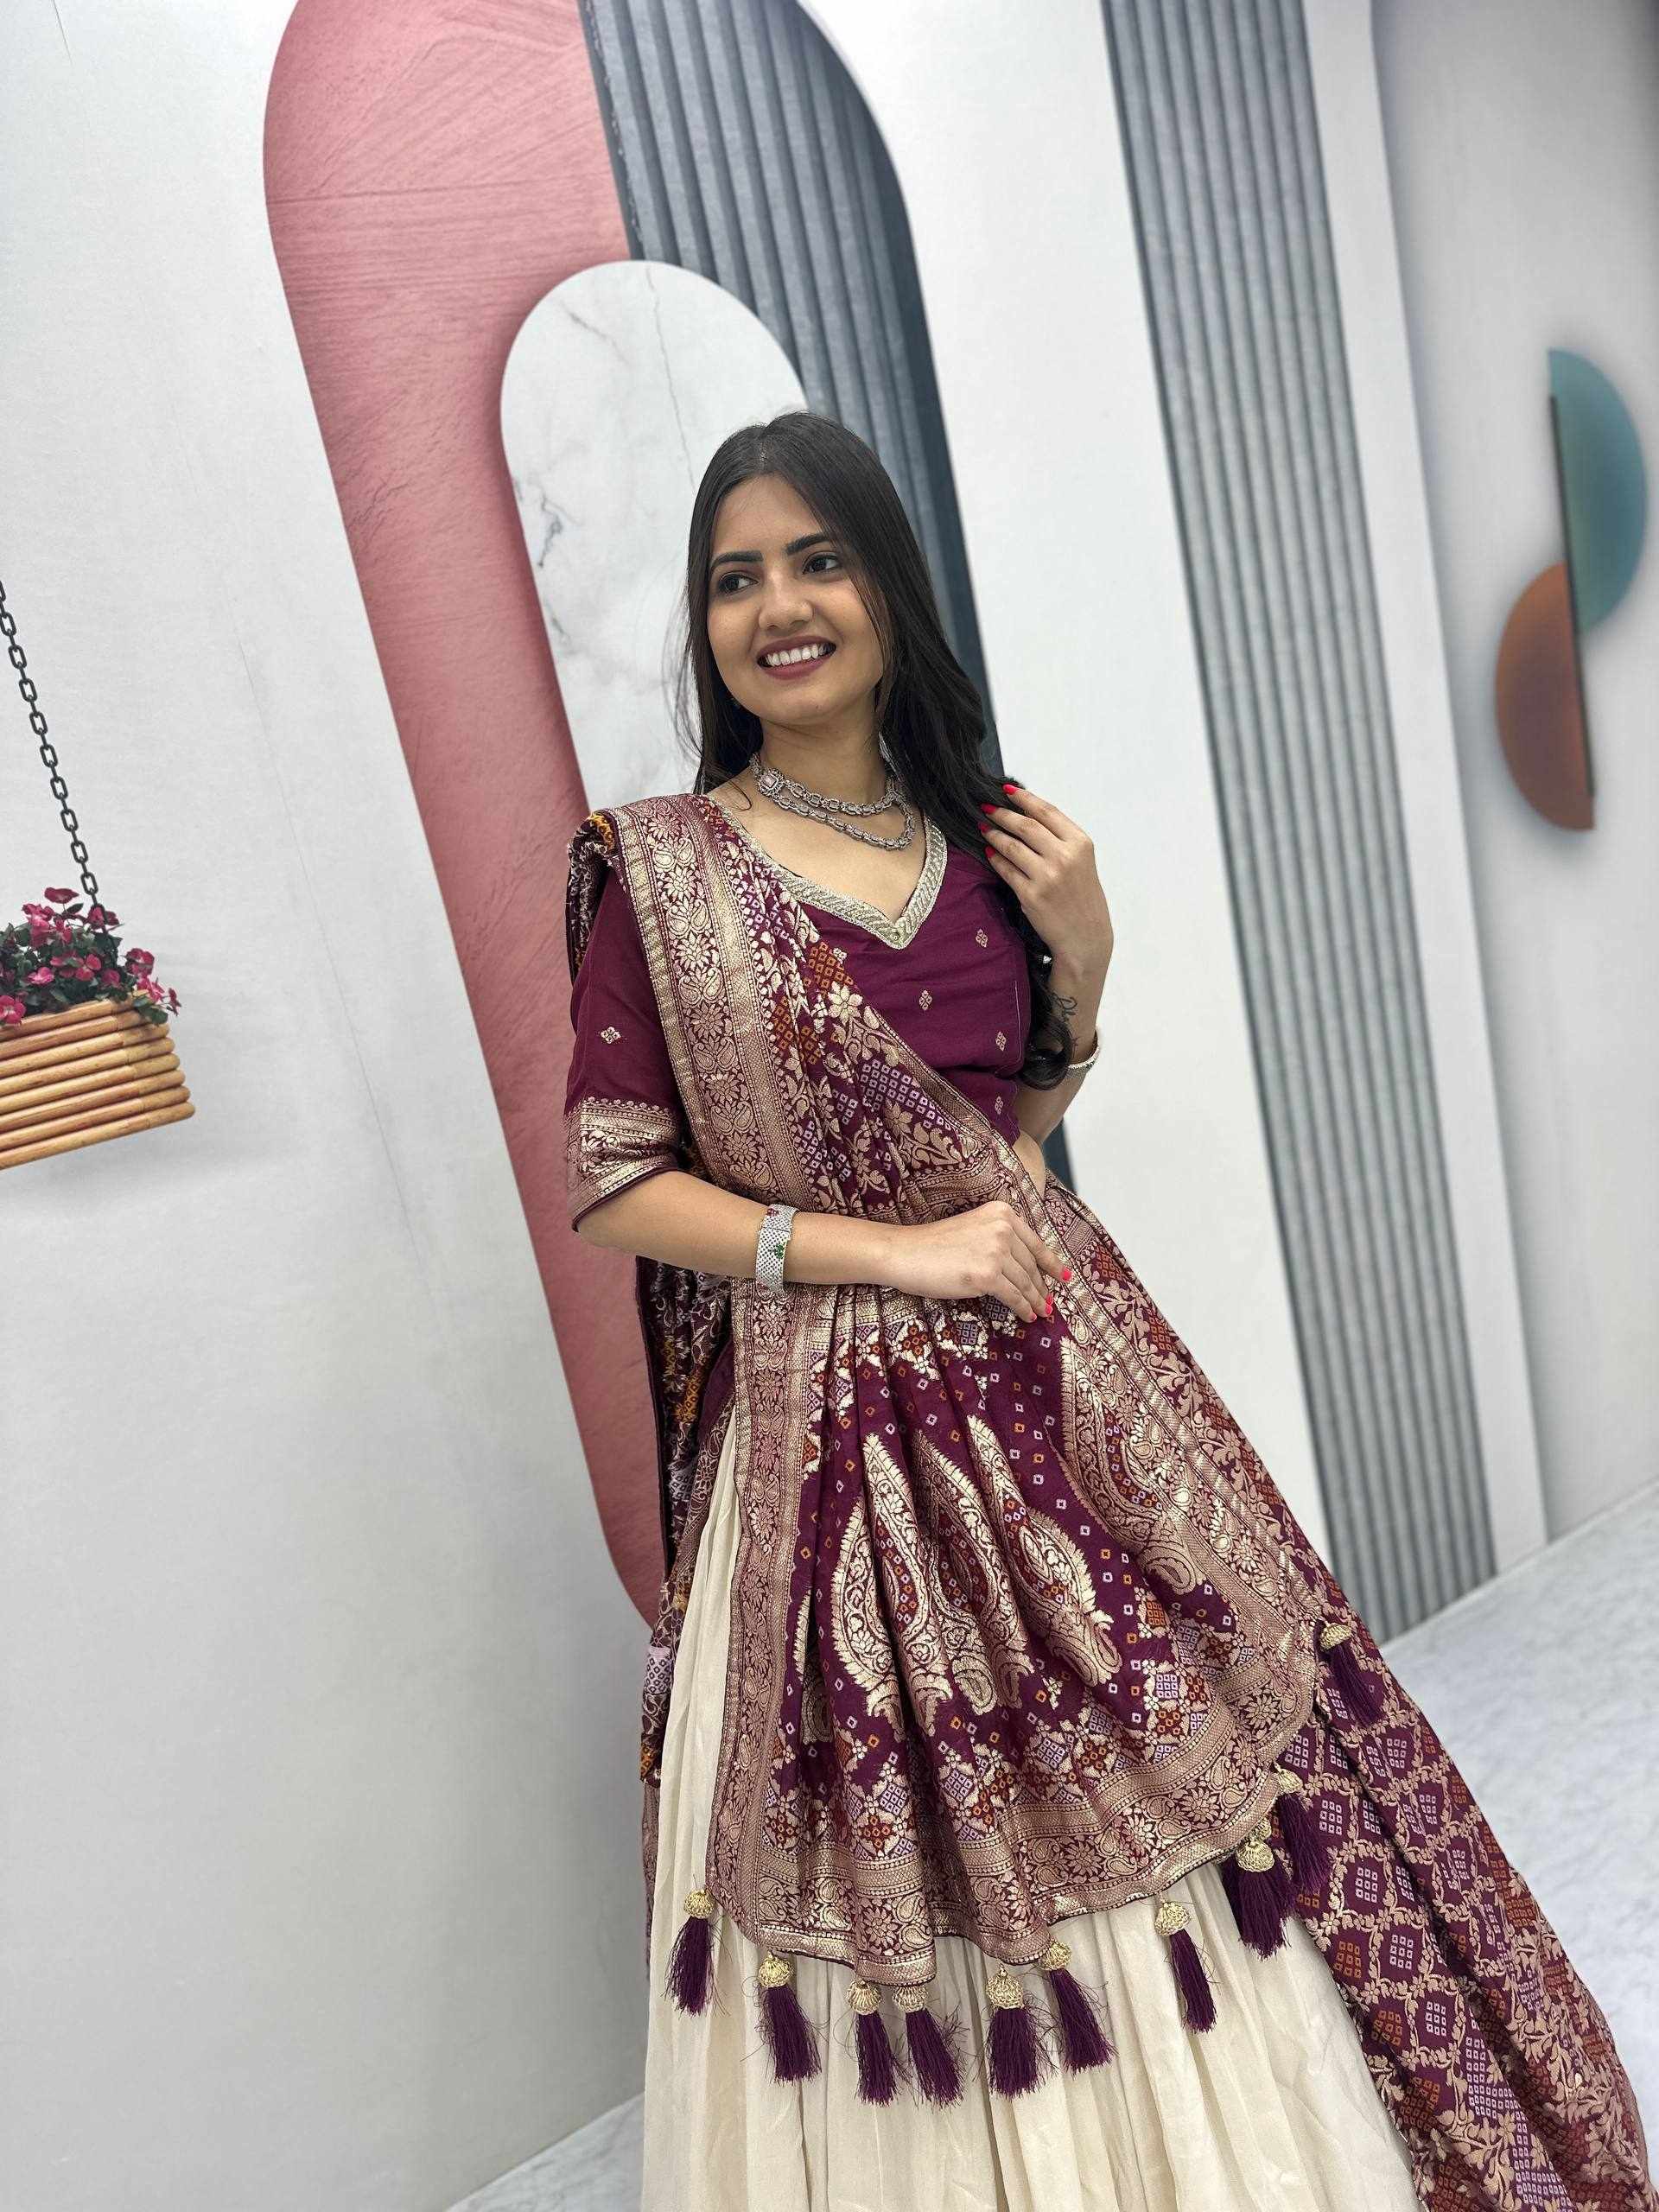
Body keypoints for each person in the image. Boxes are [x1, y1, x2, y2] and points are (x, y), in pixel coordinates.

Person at [561, 410, 1654, 2212]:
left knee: (1207, 1772)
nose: (779, 607)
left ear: (889, 588)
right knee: (928, 1854)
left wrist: (1087, 956)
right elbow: (617, 1182)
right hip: (833, 1451)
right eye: (735, 579)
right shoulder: (662, 872)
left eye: (818, 561)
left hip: (1059, 1384)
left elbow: (1004, 1129)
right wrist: (893, 1256)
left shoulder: (986, 835)